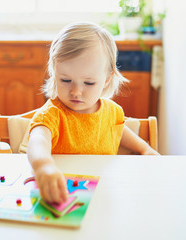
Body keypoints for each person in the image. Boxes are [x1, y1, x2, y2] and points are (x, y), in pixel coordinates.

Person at [27, 22, 160, 204]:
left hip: (103, 194)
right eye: (65, 80)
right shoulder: (52, 115)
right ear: (54, 73)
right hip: (61, 193)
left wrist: (145, 149)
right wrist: (43, 167)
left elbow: (118, 131)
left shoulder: (112, 112)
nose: (76, 91)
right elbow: (37, 140)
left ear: (106, 79)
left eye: (88, 83)